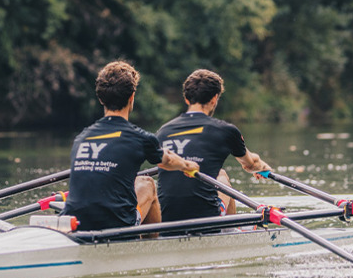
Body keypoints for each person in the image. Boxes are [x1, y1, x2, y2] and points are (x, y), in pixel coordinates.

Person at [62, 61, 200, 231]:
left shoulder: (81, 138)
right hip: (116, 225)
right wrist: (188, 165)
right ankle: (150, 249)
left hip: (74, 223)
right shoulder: (140, 139)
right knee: (148, 184)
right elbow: (168, 161)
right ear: (132, 97)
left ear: (100, 99)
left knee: (135, 181)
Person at [156, 69, 272, 222]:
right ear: (214, 99)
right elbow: (250, 164)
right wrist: (263, 167)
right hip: (206, 218)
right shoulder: (226, 131)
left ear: (186, 98)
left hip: (166, 219)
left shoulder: (163, 131)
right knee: (222, 176)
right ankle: (229, 230)